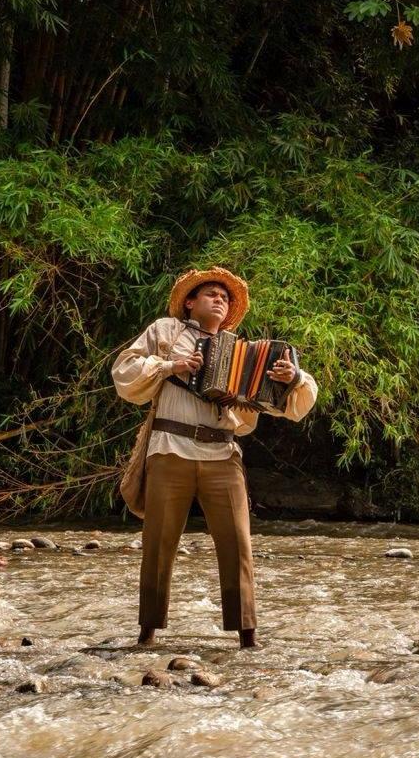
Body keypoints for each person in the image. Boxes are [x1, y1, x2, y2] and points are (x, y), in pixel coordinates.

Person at [111, 266, 318, 650]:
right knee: (158, 542)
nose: (219, 299)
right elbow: (124, 372)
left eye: (224, 297)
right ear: (190, 302)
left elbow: (284, 406)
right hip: (169, 447)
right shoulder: (164, 331)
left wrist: (293, 379)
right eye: (210, 293)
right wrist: (172, 366)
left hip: (222, 452)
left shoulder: (244, 350)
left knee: (237, 542)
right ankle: (147, 632)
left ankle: (247, 635)